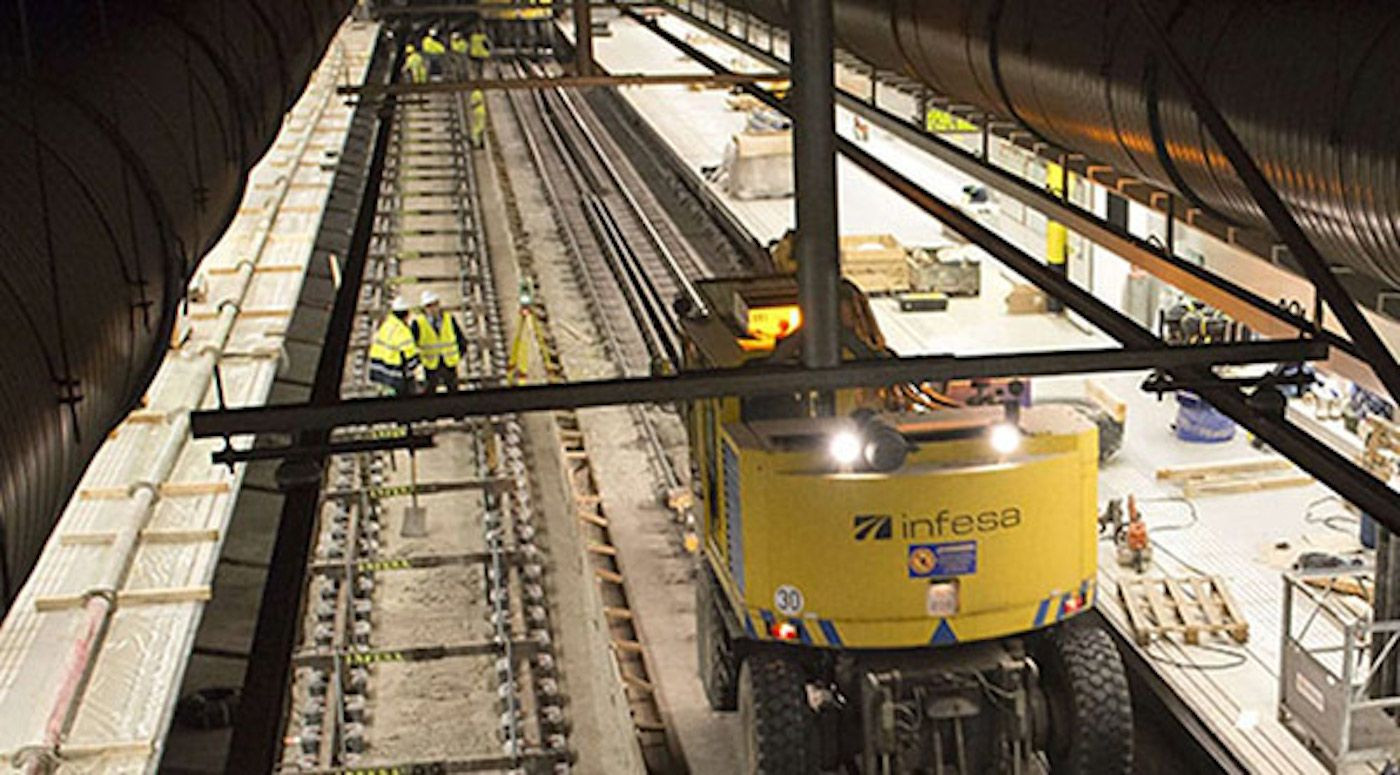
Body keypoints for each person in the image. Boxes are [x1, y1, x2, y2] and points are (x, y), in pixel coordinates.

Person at [412, 290, 468, 393]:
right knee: (430, 390)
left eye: (435, 305)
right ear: (424, 308)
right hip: (431, 364)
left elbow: (460, 338)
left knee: (453, 389)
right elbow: (411, 344)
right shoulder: (418, 323)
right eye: (429, 306)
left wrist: (459, 354)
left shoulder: (449, 319)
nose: (433, 309)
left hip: (449, 362)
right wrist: (419, 359)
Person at [369, 297, 421, 396]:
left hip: (380, 374)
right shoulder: (403, 332)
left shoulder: (386, 325)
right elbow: (412, 360)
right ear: (407, 314)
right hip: (395, 377)